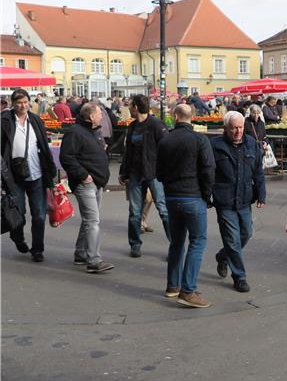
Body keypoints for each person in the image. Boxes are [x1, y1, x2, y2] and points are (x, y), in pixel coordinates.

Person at [156, 104, 216, 308]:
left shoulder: (165, 140)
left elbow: (159, 172)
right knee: (198, 241)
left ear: (175, 116)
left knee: (177, 242)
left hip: (172, 195)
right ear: (193, 117)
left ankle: (173, 285)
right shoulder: (200, 139)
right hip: (193, 194)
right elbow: (208, 168)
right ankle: (188, 290)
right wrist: (207, 195)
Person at [211, 111, 266, 293]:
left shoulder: (251, 143)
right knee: (233, 240)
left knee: (247, 233)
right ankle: (239, 277)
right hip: (224, 200)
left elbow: (258, 170)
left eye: (241, 127)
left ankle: (223, 256)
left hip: (244, 199)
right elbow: (207, 173)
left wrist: (261, 194)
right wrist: (207, 195)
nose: (238, 131)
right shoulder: (215, 146)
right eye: (234, 128)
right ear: (226, 128)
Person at [0, 89, 57, 262]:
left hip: (37, 174)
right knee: (19, 214)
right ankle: (17, 238)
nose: (23, 106)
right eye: (19, 103)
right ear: (13, 103)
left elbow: (44, 147)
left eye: (25, 102)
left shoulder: (36, 120)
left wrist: (51, 171)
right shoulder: (4, 121)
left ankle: (38, 249)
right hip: (14, 177)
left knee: (39, 215)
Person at [59, 102, 114, 273]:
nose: (102, 117)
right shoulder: (75, 132)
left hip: (95, 181)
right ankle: (94, 260)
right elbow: (66, 158)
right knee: (92, 221)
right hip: (86, 183)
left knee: (89, 220)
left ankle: (81, 253)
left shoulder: (92, 131)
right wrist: (83, 175)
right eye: (99, 114)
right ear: (91, 117)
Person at [119, 94, 171, 257]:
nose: (128, 109)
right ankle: (135, 244)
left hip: (154, 174)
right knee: (135, 212)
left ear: (136, 107)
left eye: (130, 106)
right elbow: (128, 152)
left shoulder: (156, 124)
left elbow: (167, 148)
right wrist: (123, 172)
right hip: (135, 174)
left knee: (163, 209)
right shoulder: (132, 126)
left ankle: (175, 245)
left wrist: (164, 171)